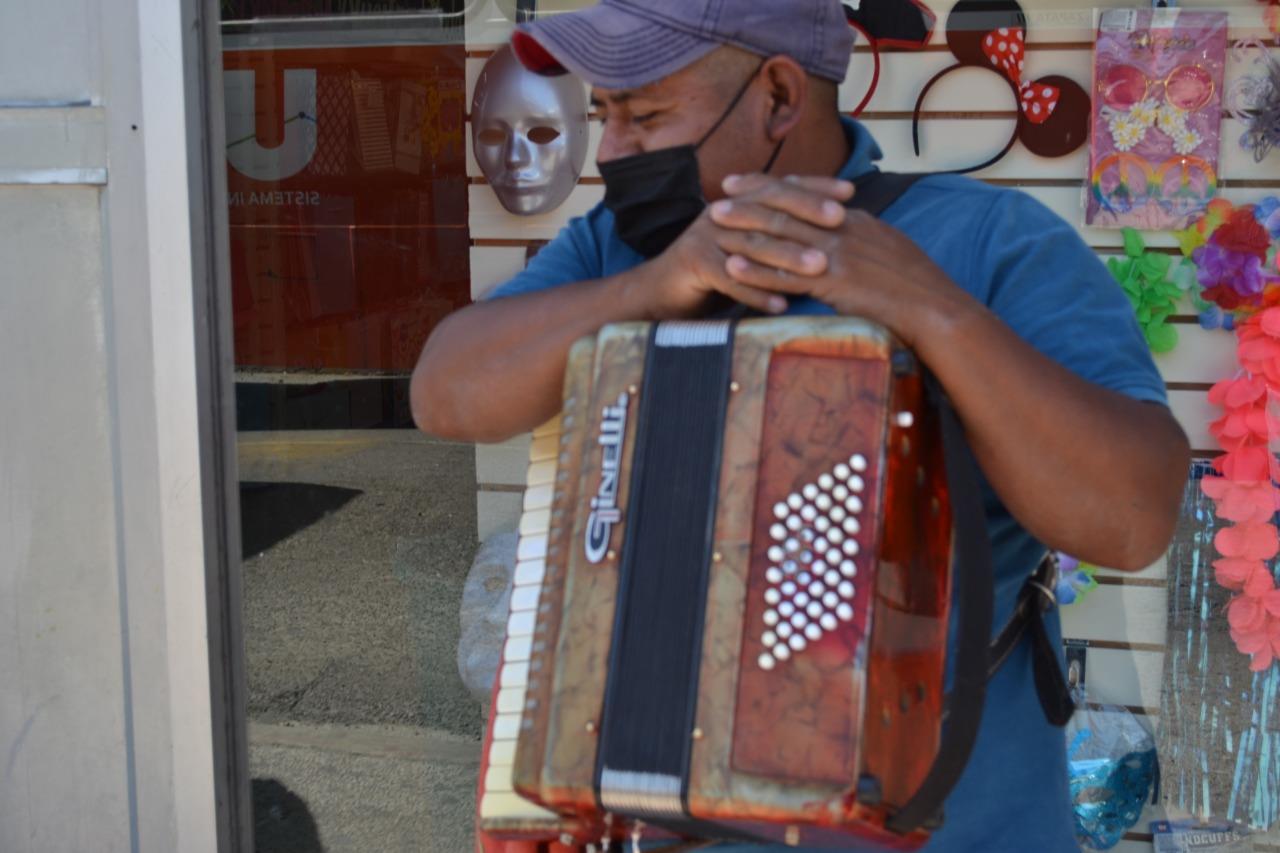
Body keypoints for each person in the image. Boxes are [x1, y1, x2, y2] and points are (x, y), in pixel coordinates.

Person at [411, 1, 1191, 850]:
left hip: (964, 826)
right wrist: (654, 286)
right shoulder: (615, 247)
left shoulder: (990, 242)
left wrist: (933, 311)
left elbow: (1132, 518)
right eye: (604, 115)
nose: (611, 151)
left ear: (778, 95)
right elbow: (445, 392)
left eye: (643, 114)